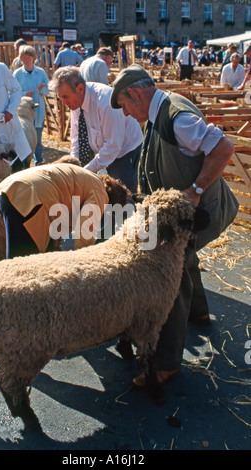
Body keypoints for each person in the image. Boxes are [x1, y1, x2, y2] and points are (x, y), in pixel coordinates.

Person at [110, 64, 238, 388]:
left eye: (125, 106)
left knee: (172, 277)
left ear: (135, 94)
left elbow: (223, 148)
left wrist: (195, 190)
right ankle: (199, 314)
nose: (126, 114)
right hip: (180, 216)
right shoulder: (157, 114)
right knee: (186, 258)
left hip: (199, 210)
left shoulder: (176, 117)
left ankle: (166, 365)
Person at [0, 162, 130, 258]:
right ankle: (14, 299)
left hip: (10, 189)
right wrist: (83, 264)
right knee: (24, 262)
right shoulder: (100, 192)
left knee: (17, 255)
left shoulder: (87, 178)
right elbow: (85, 234)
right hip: (31, 197)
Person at [50, 66, 143, 193]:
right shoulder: (76, 103)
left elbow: (113, 146)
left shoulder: (105, 102)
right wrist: (75, 166)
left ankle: (128, 211)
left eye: (65, 96)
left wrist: (86, 171)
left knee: (123, 194)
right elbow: (76, 137)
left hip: (125, 151)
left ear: (80, 89)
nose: (63, 102)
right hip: (103, 149)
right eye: (61, 98)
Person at [13, 45, 49, 166]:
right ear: (21, 59)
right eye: (24, 57)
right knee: (23, 136)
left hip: (37, 111)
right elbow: (12, 91)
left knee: (37, 138)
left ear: (33, 58)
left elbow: (48, 91)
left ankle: (38, 161)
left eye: (29, 57)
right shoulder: (17, 74)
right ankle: (22, 161)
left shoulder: (41, 73)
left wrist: (41, 89)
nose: (27, 60)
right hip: (23, 112)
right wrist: (24, 93)